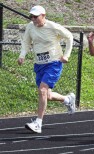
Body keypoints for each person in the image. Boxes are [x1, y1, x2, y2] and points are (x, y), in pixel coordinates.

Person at [18, 5, 76, 133]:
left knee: (42, 90)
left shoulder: (52, 26)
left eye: (36, 16)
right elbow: (26, 42)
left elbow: (69, 37)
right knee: (47, 95)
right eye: (31, 16)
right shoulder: (30, 27)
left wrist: (66, 55)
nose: (33, 19)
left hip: (53, 62)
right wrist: (22, 55)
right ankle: (68, 99)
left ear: (43, 16)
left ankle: (38, 123)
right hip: (39, 64)